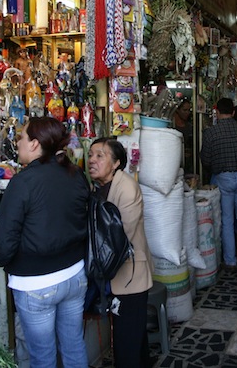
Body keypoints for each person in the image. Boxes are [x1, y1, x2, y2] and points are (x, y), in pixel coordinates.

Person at [0, 117, 90, 368]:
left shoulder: (23, 182)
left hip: (37, 283)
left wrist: (4, 260)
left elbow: (4, 242)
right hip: (74, 276)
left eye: (22, 137)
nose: (18, 143)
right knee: (74, 345)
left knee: (43, 357)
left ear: (35, 144)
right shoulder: (75, 174)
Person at [88, 138, 153, 367]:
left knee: (127, 345)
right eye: (91, 155)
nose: (92, 161)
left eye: (100, 155)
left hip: (130, 276)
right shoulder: (99, 187)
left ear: (116, 163)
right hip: (119, 277)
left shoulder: (126, 188)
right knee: (134, 340)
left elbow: (120, 236)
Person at [200, 97, 237, 271]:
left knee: (227, 220)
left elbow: (205, 159)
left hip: (223, 177)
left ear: (217, 112)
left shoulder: (211, 133)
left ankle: (230, 261)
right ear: (233, 112)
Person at [173, 98, 193, 174]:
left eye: (189, 110)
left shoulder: (190, 126)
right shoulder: (171, 126)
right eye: (184, 110)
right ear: (177, 110)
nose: (187, 113)